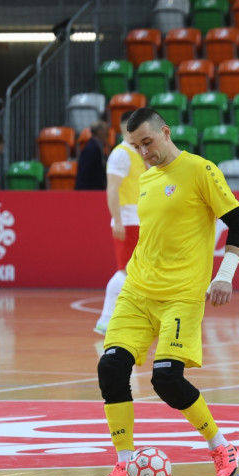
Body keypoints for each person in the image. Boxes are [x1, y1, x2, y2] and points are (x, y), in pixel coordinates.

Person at [92, 107, 239, 476]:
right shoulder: (146, 179)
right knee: (111, 369)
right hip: (137, 291)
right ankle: (125, 465)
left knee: (166, 379)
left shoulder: (201, 170)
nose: (143, 152)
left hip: (180, 296)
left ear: (165, 132)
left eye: (147, 142)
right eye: (136, 146)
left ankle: (221, 447)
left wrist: (224, 275)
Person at [94, 120, 145, 335]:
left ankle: (122, 317)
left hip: (138, 218)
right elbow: (112, 189)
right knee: (125, 270)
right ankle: (106, 319)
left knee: (135, 270)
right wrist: (117, 220)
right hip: (127, 218)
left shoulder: (137, 153)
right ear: (126, 129)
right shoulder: (121, 154)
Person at [75, 121, 109, 191]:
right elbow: (84, 172)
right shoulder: (91, 148)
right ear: (99, 132)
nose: (108, 134)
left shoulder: (97, 147)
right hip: (89, 191)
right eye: (106, 131)